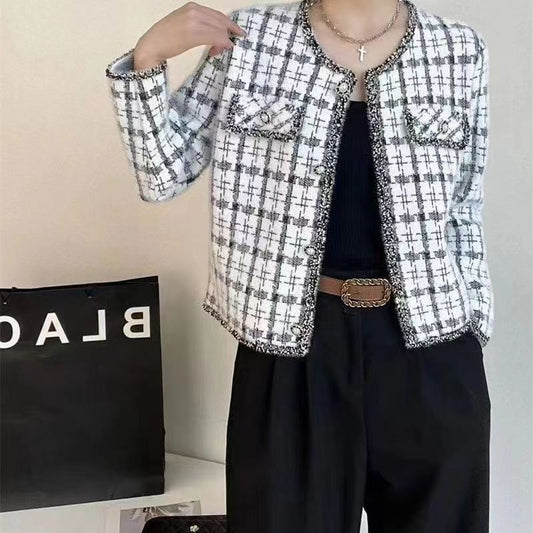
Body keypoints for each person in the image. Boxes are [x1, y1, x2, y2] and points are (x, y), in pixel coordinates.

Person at [105, 0, 493, 531]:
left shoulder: (459, 50)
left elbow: (464, 206)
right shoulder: (249, 39)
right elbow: (162, 175)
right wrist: (148, 57)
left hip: (431, 353)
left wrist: (471, 327)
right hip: (290, 348)